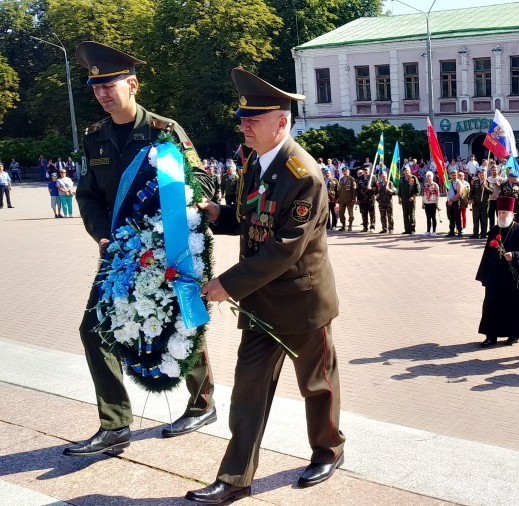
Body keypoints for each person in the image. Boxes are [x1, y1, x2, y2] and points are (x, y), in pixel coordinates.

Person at [189, 69, 344, 504]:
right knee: (248, 389)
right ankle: (235, 478)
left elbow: (284, 249)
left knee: (317, 385)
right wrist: (216, 213)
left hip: (302, 301)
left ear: (281, 123)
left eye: (252, 119)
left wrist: (226, 285)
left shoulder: (304, 174)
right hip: (260, 303)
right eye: (242, 118)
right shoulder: (254, 164)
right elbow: (250, 222)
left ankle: (329, 450)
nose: (243, 126)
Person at [67, 42, 216, 458]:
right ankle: (114, 424)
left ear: (132, 84)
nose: (101, 93)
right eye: (95, 87)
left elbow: (201, 181)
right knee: (94, 328)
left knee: (185, 320)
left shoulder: (164, 132)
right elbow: (88, 196)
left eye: (109, 84)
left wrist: (167, 221)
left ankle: (202, 403)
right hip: (118, 255)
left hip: (166, 250)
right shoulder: (95, 138)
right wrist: (101, 235)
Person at [475, 196, 519, 347]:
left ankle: (513, 334)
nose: (502, 216)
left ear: (512, 213)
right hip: (495, 275)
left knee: (512, 305)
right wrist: (484, 274)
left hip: (512, 276)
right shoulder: (493, 230)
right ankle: (490, 335)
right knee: (491, 304)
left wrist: (514, 255)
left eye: (505, 212)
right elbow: (487, 253)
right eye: (500, 213)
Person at [469, 168, 493, 239]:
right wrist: (471, 199)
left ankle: (483, 234)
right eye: (480, 174)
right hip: (476, 204)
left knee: (484, 219)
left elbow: (492, 191)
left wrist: (486, 188)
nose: (482, 176)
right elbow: (471, 192)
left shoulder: (488, 182)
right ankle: (475, 234)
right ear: (479, 175)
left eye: (483, 175)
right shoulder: (475, 182)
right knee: (475, 219)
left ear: (485, 175)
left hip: (484, 204)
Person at [399, 166, 421, 234]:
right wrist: (399, 198)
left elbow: (418, 189)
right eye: (405, 171)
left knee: (412, 214)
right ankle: (406, 229)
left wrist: (413, 196)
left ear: (410, 171)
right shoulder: (401, 179)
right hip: (404, 200)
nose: (406, 172)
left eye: (407, 170)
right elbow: (399, 189)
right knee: (405, 215)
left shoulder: (414, 178)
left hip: (411, 199)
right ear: (403, 172)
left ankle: (412, 229)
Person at [356, 166, 376, 232]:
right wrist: (358, 199)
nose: (366, 172)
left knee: (372, 213)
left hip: (370, 198)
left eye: (367, 170)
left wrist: (372, 188)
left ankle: (372, 227)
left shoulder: (373, 178)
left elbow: (377, 188)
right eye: (365, 170)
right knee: (364, 213)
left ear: (369, 171)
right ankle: (365, 227)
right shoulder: (359, 178)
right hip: (362, 199)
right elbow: (357, 189)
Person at [337, 167, 356, 231]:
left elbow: (354, 190)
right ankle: (343, 225)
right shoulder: (341, 179)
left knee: (350, 213)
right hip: (342, 199)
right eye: (343, 171)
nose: (345, 172)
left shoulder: (352, 179)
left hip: (349, 200)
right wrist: (337, 198)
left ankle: (350, 225)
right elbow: (339, 190)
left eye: (346, 171)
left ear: (349, 171)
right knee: (341, 213)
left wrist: (354, 199)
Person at [422, 171, 440, 236]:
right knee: (428, 217)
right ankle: (428, 231)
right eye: (427, 176)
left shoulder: (435, 185)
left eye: (430, 176)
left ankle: (434, 231)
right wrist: (422, 203)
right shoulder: (425, 185)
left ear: (432, 177)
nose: (429, 178)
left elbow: (438, 195)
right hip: (426, 203)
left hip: (433, 203)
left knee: (433, 217)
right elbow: (423, 194)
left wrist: (437, 204)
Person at [446, 170, 463, 236]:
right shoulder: (449, 182)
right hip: (449, 202)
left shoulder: (458, 183)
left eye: (455, 175)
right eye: (453, 175)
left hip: (455, 202)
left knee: (457, 217)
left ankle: (459, 231)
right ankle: (451, 231)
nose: (454, 176)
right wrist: (449, 201)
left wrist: (452, 200)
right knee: (450, 217)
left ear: (457, 175)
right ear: (451, 175)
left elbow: (459, 193)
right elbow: (447, 191)